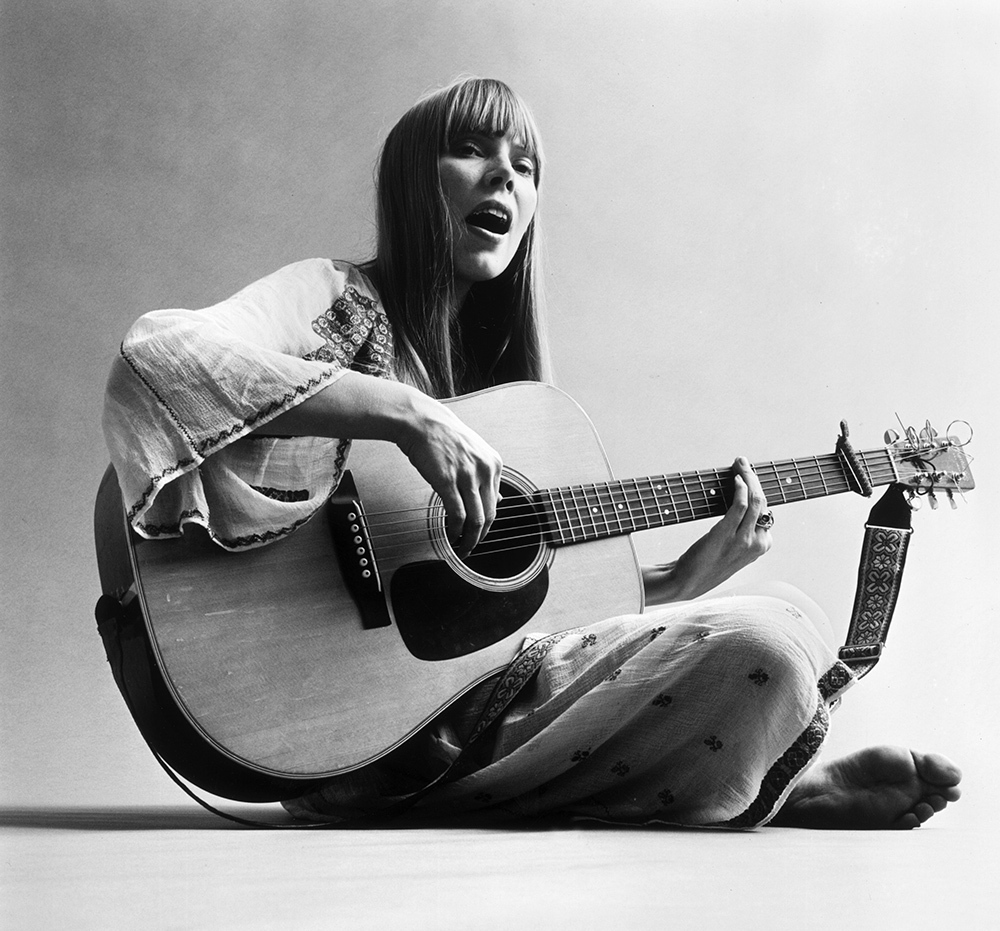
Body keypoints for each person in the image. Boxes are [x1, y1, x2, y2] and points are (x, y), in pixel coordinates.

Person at [103, 77, 961, 829]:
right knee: (762, 648)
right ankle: (781, 787)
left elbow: (528, 641)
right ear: (413, 182)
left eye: (524, 164)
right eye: (470, 150)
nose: (504, 174)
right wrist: (405, 414)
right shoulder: (334, 300)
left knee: (787, 621)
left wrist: (681, 580)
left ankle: (765, 785)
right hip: (324, 724)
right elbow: (160, 355)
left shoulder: (515, 398)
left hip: (465, 714)